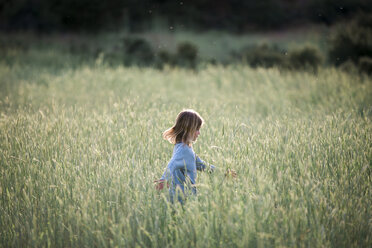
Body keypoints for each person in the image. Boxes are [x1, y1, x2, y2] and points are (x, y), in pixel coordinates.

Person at [155, 109, 215, 204]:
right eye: (197, 129)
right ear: (189, 129)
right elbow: (172, 163)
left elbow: (202, 165)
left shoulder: (183, 147)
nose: (199, 133)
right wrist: (164, 179)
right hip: (182, 200)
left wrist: (223, 172)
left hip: (181, 197)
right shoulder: (184, 150)